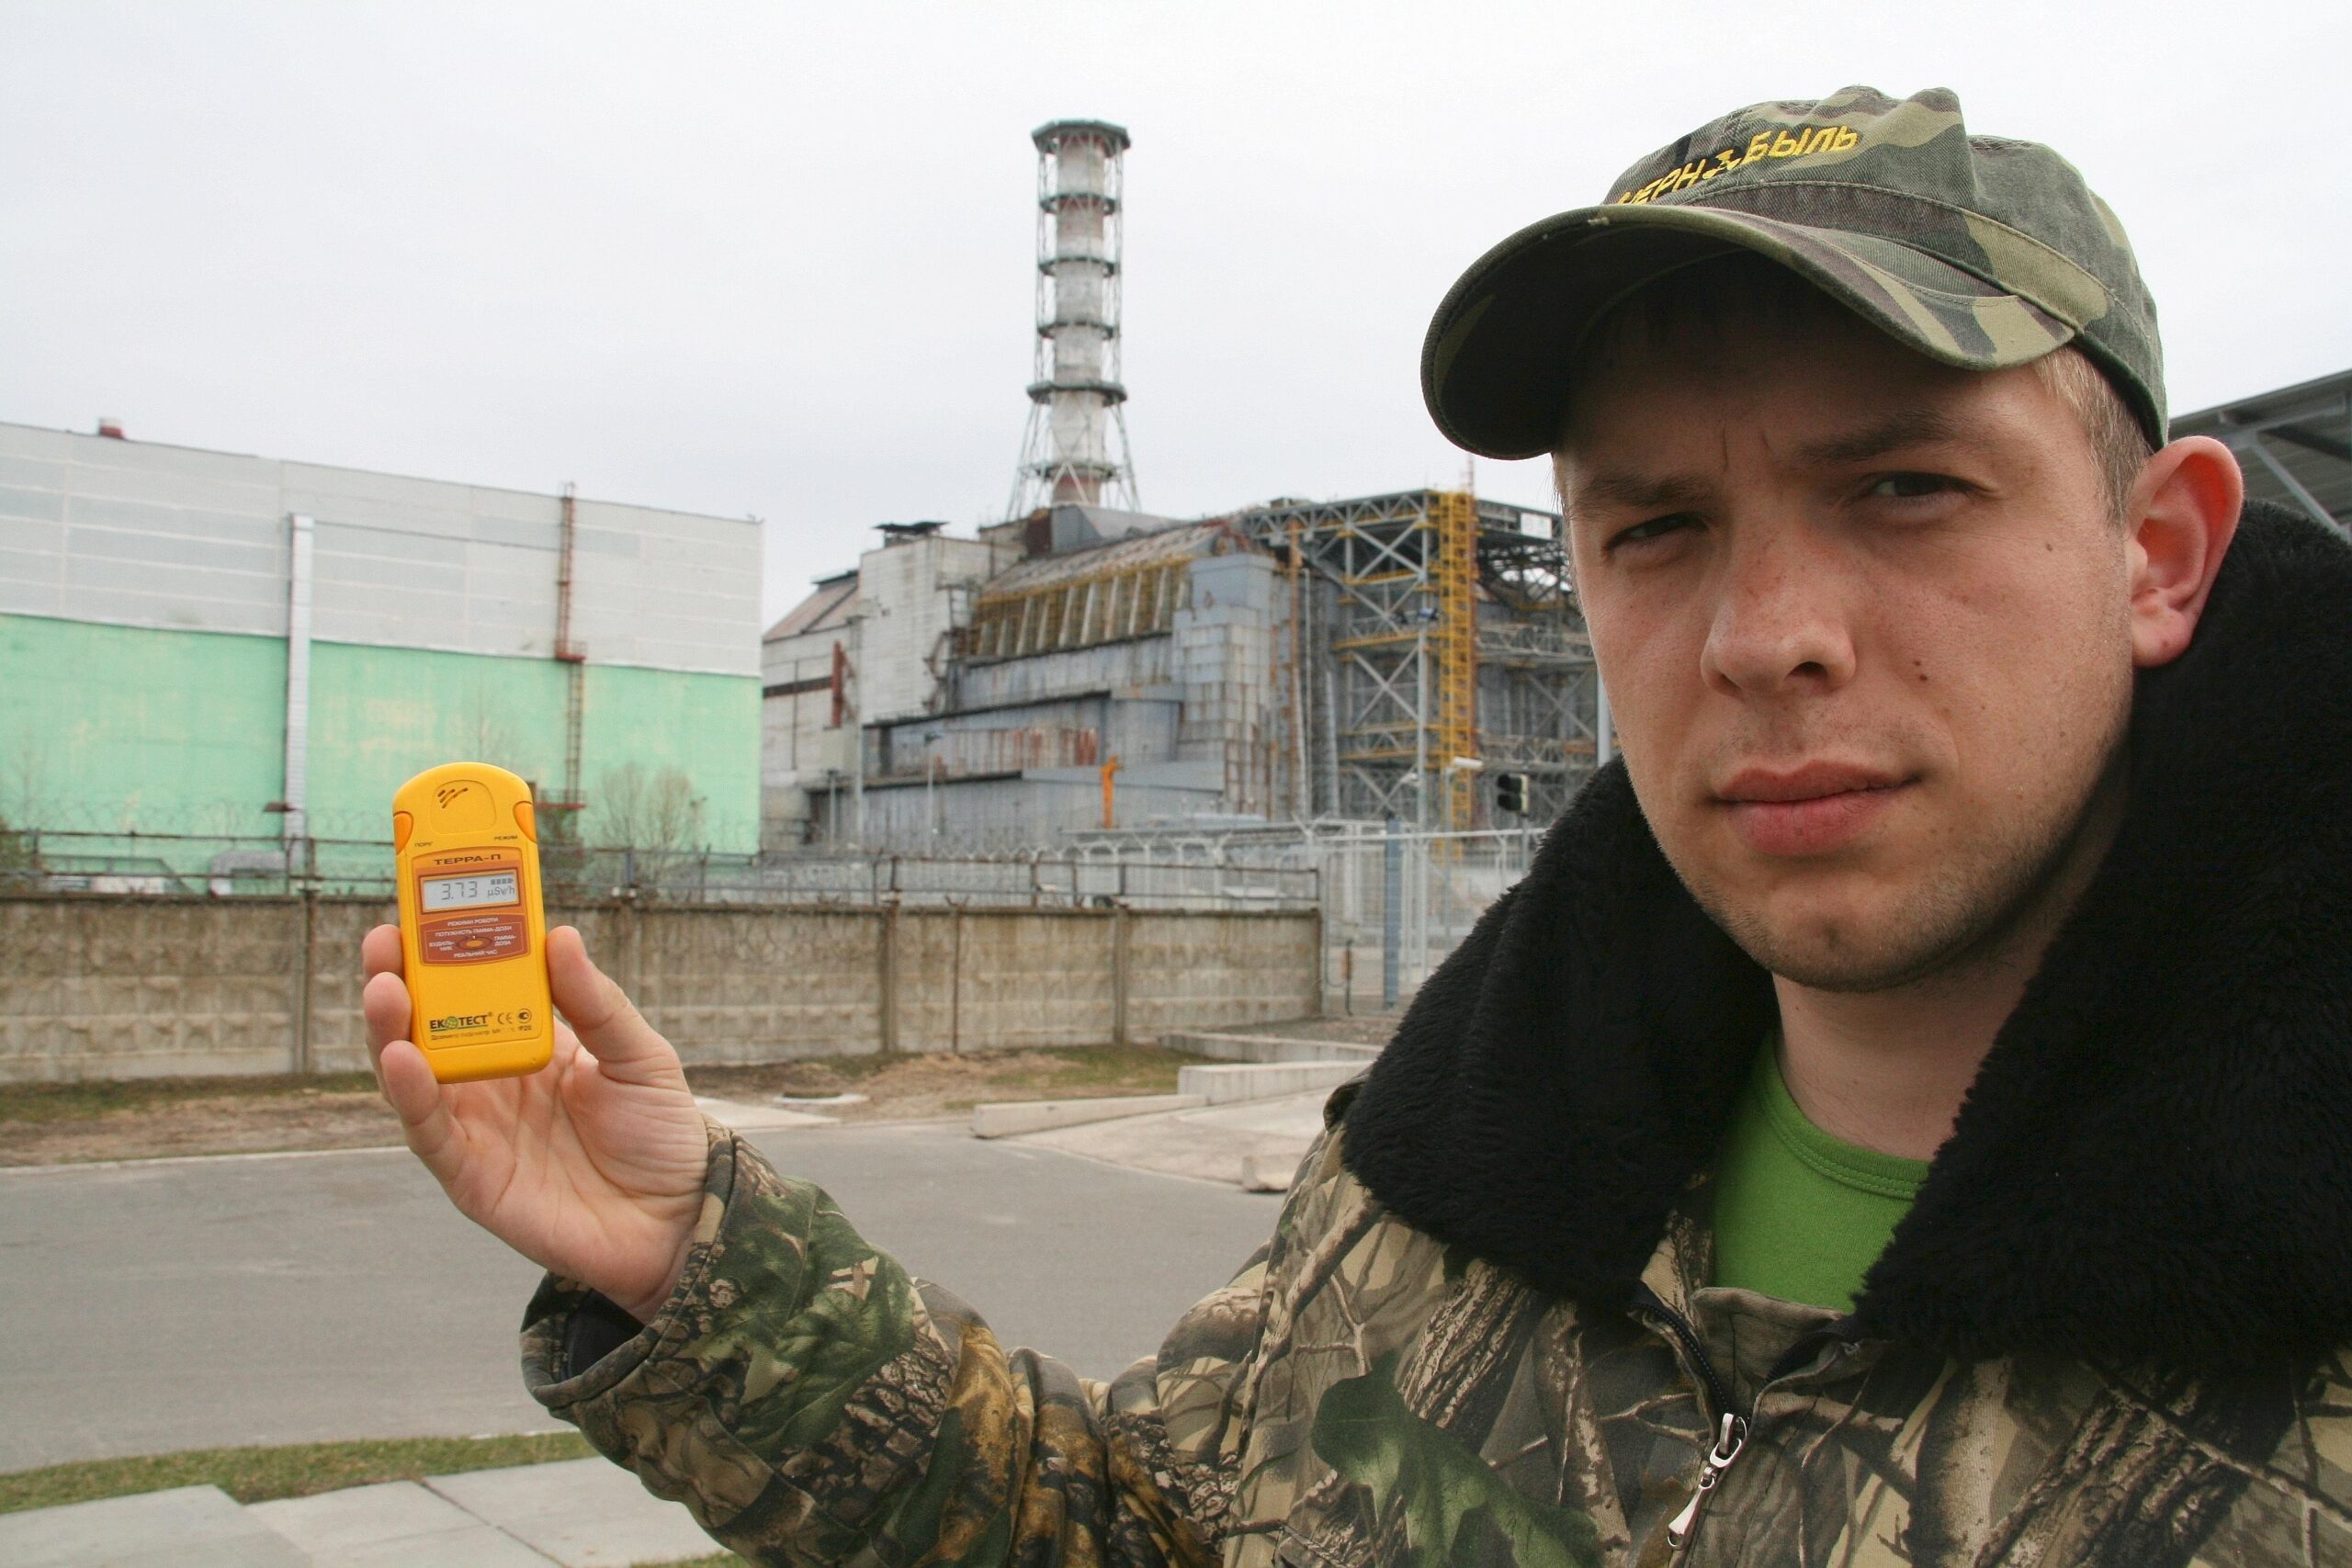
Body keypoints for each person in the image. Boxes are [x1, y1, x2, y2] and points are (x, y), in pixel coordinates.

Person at [363, 85, 2352, 1564]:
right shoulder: (1466, 1150)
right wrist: (699, 1270)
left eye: (1904, 488)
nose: (1765, 638)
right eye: (1653, 527)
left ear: (2157, 552)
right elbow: (1158, 1529)